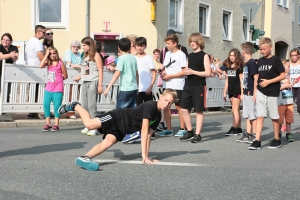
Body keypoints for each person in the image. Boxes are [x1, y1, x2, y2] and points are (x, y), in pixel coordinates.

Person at [58, 89, 177, 171]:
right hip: (117, 117)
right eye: (166, 100)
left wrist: (147, 156)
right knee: (89, 125)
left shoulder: (158, 116)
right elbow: (144, 131)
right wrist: (143, 155)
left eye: (170, 103)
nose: (167, 104)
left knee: (108, 142)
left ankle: (85, 157)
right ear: (161, 97)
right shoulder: (150, 106)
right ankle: (75, 106)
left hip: (123, 129)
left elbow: (149, 136)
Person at [248, 37, 285, 150]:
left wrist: (269, 81)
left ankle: (276, 138)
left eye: (264, 49)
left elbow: (283, 75)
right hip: (260, 91)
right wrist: (255, 91)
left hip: (273, 91)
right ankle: (257, 140)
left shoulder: (276, 60)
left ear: (270, 48)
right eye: (261, 49)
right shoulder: (260, 61)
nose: (262, 51)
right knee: (260, 116)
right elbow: (257, 77)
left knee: (274, 116)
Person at [103, 38, 139, 142]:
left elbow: (117, 73)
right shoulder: (133, 58)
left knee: (119, 112)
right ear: (130, 47)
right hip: (133, 87)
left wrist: (108, 88)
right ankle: (134, 132)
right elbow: (137, 73)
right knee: (131, 111)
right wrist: (137, 86)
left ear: (119, 47)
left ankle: (116, 132)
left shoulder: (122, 59)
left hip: (125, 88)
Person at [179, 32, 211, 143]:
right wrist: (186, 72)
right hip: (188, 84)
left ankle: (197, 134)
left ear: (199, 42)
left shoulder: (204, 55)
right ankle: (190, 131)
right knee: (184, 109)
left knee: (198, 110)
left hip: (199, 85)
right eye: (191, 42)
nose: (192, 43)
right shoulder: (190, 55)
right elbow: (187, 70)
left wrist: (193, 72)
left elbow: (207, 73)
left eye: (194, 42)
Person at [157, 34, 186, 137]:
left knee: (179, 107)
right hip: (167, 83)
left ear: (175, 43)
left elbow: (184, 71)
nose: (167, 45)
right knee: (166, 106)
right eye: (166, 43)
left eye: (168, 43)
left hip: (178, 85)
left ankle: (183, 128)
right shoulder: (167, 53)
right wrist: (164, 73)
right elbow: (166, 67)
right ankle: (169, 129)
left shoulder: (181, 54)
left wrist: (171, 76)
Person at [73, 37, 103, 136]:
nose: (83, 47)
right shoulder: (85, 56)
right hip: (85, 82)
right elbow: (85, 70)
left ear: (90, 45)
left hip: (93, 82)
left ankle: (95, 127)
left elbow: (100, 70)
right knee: (84, 105)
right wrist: (79, 76)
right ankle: (88, 124)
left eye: (85, 45)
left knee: (91, 105)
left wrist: (100, 85)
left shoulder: (96, 55)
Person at [133, 37, 156, 142]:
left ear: (145, 46)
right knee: (138, 111)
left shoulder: (149, 58)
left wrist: (151, 85)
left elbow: (153, 72)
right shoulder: (133, 58)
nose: (140, 48)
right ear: (135, 46)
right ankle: (139, 131)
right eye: (138, 45)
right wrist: (135, 86)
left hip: (147, 88)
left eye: (142, 45)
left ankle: (151, 131)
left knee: (149, 111)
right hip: (137, 88)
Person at [40, 47, 68, 131]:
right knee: (45, 104)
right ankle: (48, 123)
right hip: (48, 88)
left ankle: (56, 124)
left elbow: (65, 75)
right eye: (51, 54)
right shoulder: (48, 63)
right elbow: (40, 66)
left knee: (57, 106)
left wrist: (59, 80)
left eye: (54, 53)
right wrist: (46, 55)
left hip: (58, 89)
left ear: (57, 53)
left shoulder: (60, 63)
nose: (52, 55)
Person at [236, 42, 258, 143]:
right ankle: (248, 133)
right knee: (248, 115)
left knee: (252, 115)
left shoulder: (252, 62)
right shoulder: (247, 63)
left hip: (250, 92)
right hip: (246, 91)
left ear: (243, 52)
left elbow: (256, 78)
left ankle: (255, 134)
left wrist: (255, 92)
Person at [25, 25, 46, 119]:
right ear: (38, 32)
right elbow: (41, 56)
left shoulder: (30, 41)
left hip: (30, 67)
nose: (45, 35)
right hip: (37, 68)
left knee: (33, 90)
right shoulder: (37, 42)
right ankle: (33, 111)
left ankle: (32, 111)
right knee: (37, 90)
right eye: (44, 32)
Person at [223, 48, 244, 136]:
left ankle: (234, 127)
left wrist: (242, 93)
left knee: (234, 109)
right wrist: (224, 92)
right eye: (230, 55)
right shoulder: (228, 67)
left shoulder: (239, 67)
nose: (231, 57)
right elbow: (227, 80)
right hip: (231, 90)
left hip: (237, 90)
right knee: (236, 110)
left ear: (237, 56)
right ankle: (238, 128)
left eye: (233, 55)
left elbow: (241, 80)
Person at [63, 40, 82, 119]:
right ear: (71, 47)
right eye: (74, 46)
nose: (76, 48)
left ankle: (78, 111)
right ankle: (69, 113)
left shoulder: (79, 54)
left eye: (77, 46)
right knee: (70, 94)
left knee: (76, 94)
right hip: (70, 75)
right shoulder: (68, 52)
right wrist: (81, 67)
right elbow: (69, 64)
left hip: (77, 75)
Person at [277, 59, 295, 142]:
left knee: (289, 118)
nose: (289, 68)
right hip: (281, 101)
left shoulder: (289, 76)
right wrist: (285, 86)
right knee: (280, 119)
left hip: (290, 100)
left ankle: (288, 133)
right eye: (288, 66)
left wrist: (293, 83)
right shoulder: (278, 77)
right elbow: (278, 88)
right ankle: (278, 133)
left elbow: (290, 86)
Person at [0, 33, 19, 102]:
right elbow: (1, 57)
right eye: (3, 39)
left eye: (7, 40)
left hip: (9, 73)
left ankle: (4, 107)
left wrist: (6, 56)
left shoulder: (14, 47)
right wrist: (10, 55)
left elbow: (15, 58)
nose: (5, 41)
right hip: (0, 72)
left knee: (7, 91)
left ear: (10, 41)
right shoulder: (0, 47)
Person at [289, 48, 300, 114]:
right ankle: (285, 124)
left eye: (295, 55)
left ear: (298, 55)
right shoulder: (288, 65)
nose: (293, 57)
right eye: (292, 55)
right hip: (290, 87)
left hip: (299, 86)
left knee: (299, 108)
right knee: (288, 106)